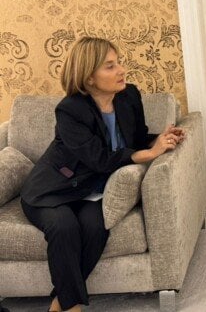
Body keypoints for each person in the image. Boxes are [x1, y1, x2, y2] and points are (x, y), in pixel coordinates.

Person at [20, 37, 185, 312]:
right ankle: (72, 307)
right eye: (110, 66)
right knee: (64, 228)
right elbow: (98, 158)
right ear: (89, 77)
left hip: (93, 190)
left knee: (96, 228)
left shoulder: (129, 96)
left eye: (118, 62)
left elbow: (137, 139)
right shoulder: (70, 110)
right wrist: (148, 154)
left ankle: (60, 301)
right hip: (53, 189)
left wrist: (160, 140)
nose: (121, 70)